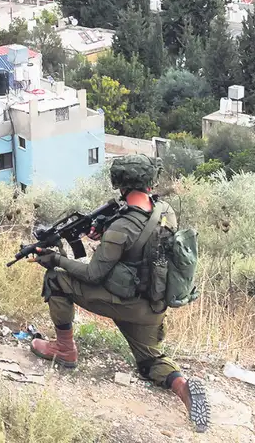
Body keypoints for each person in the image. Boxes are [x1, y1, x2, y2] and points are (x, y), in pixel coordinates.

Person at [27, 154, 209, 433]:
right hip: (152, 307)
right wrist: (105, 233)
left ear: (121, 184)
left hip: (123, 301)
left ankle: (64, 350)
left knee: (56, 279)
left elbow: (93, 274)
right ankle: (182, 386)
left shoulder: (122, 227)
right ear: (149, 182)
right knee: (150, 362)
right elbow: (142, 250)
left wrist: (55, 259)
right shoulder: (165, 211)